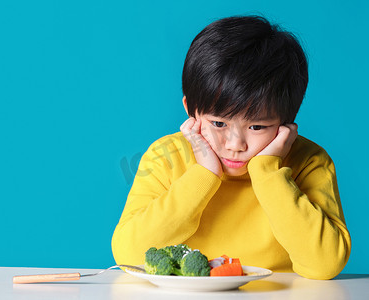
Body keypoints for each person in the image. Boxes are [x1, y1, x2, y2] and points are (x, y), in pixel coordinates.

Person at [111, 15, 351, 280]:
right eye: (218, 123)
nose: (235, 145)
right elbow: (129, 255)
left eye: (257, 127)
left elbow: (325, 264)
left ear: (286, 124)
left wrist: (267, 172)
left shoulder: (309, 161)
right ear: (191, 110)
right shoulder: (165, 157)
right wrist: (204, 175)